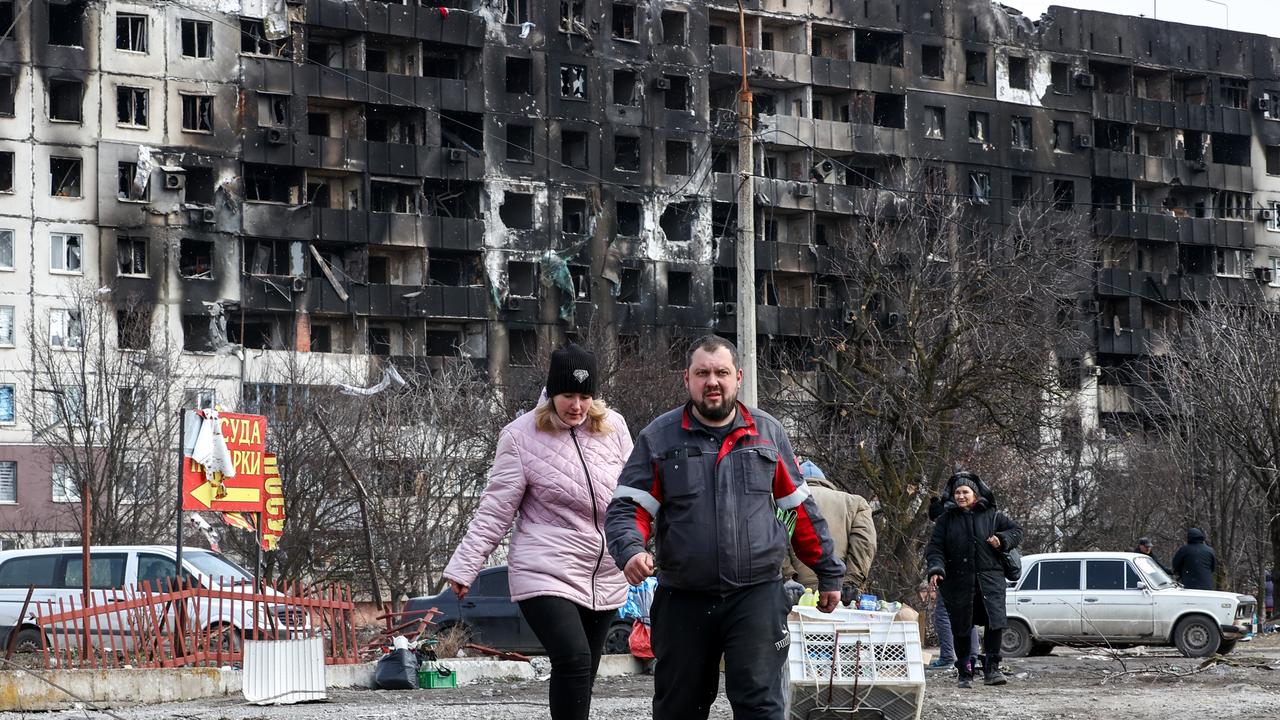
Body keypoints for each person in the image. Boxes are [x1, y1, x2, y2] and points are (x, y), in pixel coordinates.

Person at [605, 334, 846, 720]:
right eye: (702, 373)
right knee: (679, 708)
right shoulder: (658, 438)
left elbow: (800, 510)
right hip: (683, 598)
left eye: (720, 373)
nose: (711, 382)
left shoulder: (767, 433)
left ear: (738, 376)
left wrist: (829, 572)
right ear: (687, 379)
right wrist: (631, 549)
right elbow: (628, 507)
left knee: (761, 707)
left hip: (756, 597)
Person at [443, 344, 632, 720]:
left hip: (605, 572)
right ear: (551, 393)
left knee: (584, 671)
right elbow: (495, 510)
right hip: (545, 566)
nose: (576, 406)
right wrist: (464, 567)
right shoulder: (520, 436)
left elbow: (635, 493)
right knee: (574, 658)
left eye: (584, 396)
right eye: (567, 396)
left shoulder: (614, 427)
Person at [925, 474, 1022, 688]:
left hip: (990, 580)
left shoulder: (992, 515)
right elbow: (935, 549)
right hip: (957, 582)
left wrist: (1002, 540)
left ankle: (992, 670)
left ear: (974, 494)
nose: (960, 496)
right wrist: (936, 569)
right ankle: (964, 672)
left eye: (965, 492)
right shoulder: (945, 520)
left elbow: (1017, 531)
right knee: (961, 626)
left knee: (994, 624)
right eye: (957, 492)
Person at [782, 460, 877, 607]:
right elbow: (864, 544)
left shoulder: (784, 501)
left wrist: (788, 579)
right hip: (838, 594)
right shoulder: (856, 503)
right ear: (825, 482)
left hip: (796, 597)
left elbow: (775, 542)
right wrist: (850, 583)